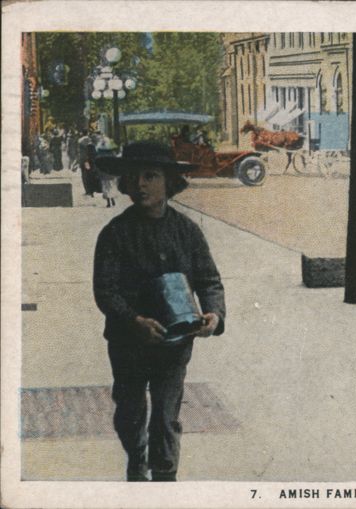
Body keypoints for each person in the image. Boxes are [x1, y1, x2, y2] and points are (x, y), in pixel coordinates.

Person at [93, 141, 226, 481]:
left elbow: (209, 280)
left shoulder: (187, 231)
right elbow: (105, 291)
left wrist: (214, 314)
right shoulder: (115, 234)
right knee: (129, 412)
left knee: (166, 415)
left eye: (150, 176)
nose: (140, 184)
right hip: (128, 342)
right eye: (134, 176)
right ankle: (136, 459)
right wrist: (134, 320)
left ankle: (165, 479)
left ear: (170, 181)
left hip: (176, 341)